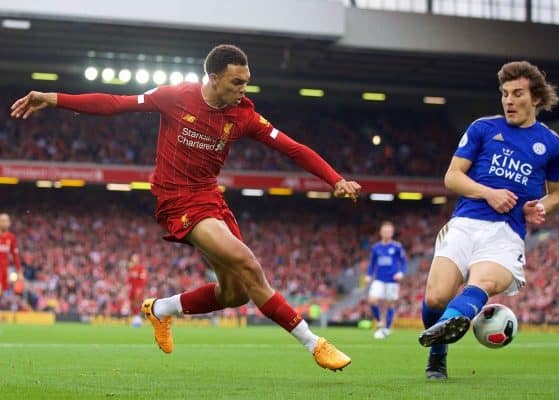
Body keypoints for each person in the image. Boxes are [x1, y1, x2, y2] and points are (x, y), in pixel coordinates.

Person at [11, 44, 361, 371]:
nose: (244, 89)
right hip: (176, 199)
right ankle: (314, 343)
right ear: (213, 78)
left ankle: (160, 308)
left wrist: (335, 179)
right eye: (236, 82)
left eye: (247, 82)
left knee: (236, 293)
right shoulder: (175, 96)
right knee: (248, 263)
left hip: (210, 197)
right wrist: (53, 98)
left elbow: (293, 148)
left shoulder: (243, 116)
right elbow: (115, 103)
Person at [418, 61, 559, 379]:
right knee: (435, 298)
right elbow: (452, 177)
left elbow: (556, 196)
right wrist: (489, 193)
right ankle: (441, 346)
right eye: (504, 94)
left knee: (482, 283)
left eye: (517, 94)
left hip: (506, 233)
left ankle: (449, 335)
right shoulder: (483, 128)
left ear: (536, 99)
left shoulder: (554, 146)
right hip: (465, 222)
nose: (509, 100)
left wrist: (539, 207)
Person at [364, 221, 407, 339]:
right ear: (381, 232)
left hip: (392, 280)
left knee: (390, 304)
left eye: (389, 231)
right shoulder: (376, 247)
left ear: (392, 233)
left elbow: (403, 262)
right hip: (379, 279)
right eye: (385, 231)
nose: (387, 233)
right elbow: (372, 264)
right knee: (372, 300)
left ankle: (387, 328)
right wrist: (368, 275)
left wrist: (401, 273)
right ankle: (379, 323)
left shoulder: (397, 247)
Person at [0, 213, 22, 297]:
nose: (4, 223)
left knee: (2, 293)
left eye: (6, 221)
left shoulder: (11, 238)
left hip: (4, 270)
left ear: (9, 223)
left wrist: (19, 271)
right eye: (2, 220)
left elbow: (15, 256)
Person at [127, 253, 147, 326]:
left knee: (137, 302)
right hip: (132, 288)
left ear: (138, 260)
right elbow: (129, 279)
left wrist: (140, 288)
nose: (134, 260)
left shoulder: (141, 268)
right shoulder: (131, 268)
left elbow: (143, 279)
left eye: (135, 258)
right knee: (132, 303)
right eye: (133, 258)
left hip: (138, 288)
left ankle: (138, 317)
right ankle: (135, 316)